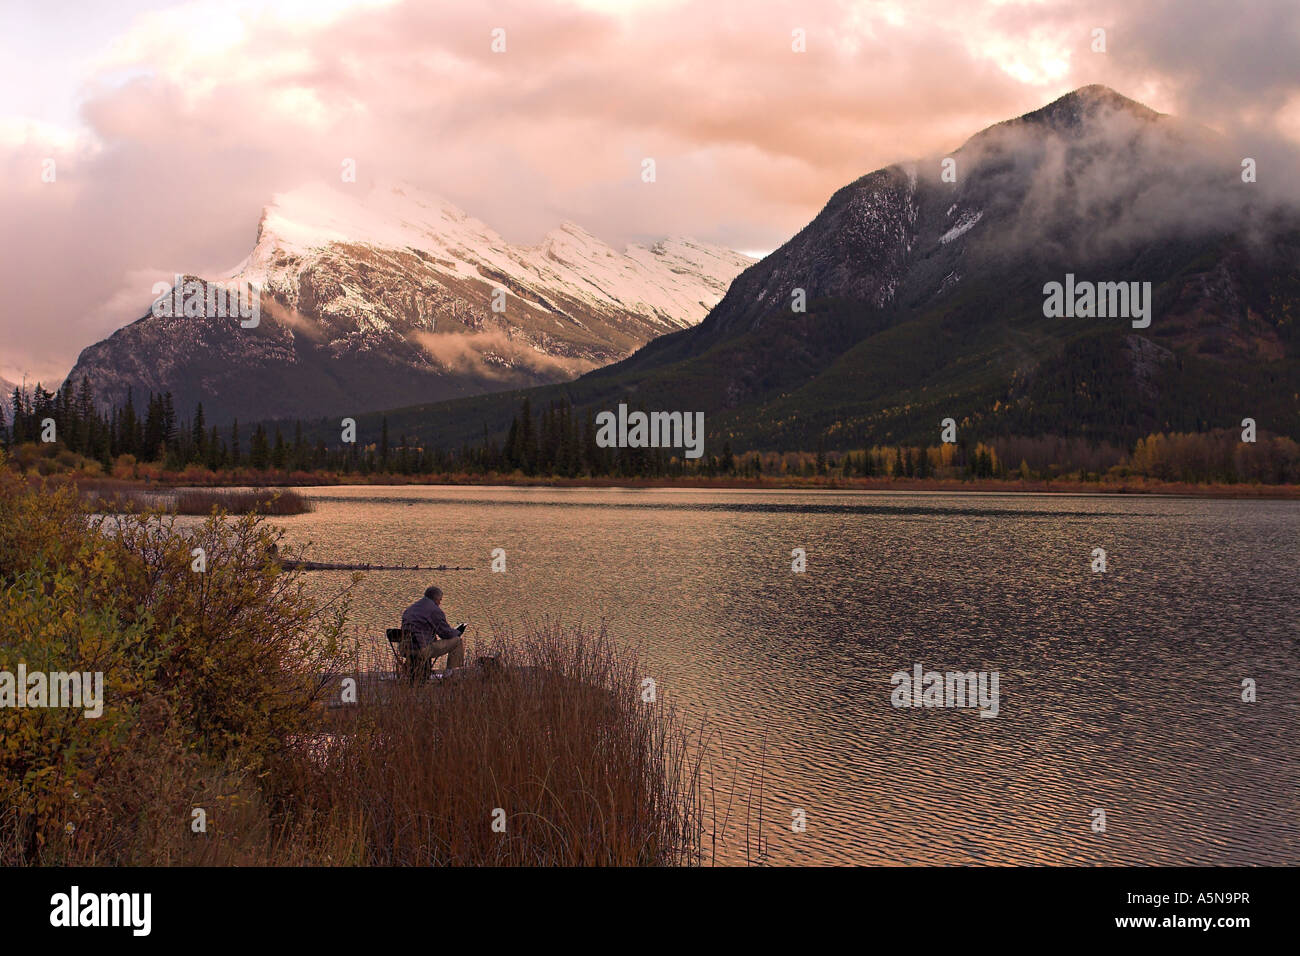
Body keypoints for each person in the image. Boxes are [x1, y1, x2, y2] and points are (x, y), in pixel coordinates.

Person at [400, 585, 465, 678]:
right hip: (421, 650)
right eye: (440, 600)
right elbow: (445, 634)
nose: (440, 603)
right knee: (457, 641)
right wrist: (458, 632)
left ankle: (413, 669)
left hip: (404, 648)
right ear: (436, 598)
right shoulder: (434, 610)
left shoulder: (410, 609)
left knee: (427, 641)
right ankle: (450, 674)